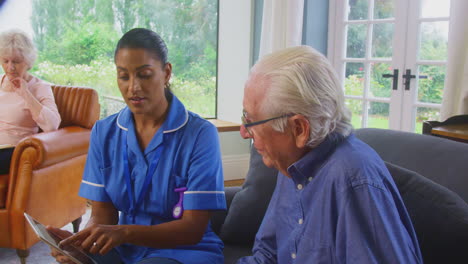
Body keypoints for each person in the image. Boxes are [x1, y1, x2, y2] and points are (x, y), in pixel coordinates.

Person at [48, 28, 226, 264]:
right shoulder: (104, 132)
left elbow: (192, 230)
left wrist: (125, 232)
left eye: (144, 74)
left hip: (184, 251)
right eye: (124, 76)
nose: (133, 87)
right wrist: (83, 244)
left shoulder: (200, 134)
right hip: (124, 248)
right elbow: (103, 216)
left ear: (166, 73)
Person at [237, 46, 423, 263]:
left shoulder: (354, 182)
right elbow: (268, 255)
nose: (243, 132)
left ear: (299, 129)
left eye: (251, 121)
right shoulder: (293, 162)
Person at [0, 29, 61, 174]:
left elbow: (52, 125)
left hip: (13, 151)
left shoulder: (40, 87)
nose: (10, 67)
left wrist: (25, 93)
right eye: (5, 61)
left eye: (16, 61)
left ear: (28, 62)